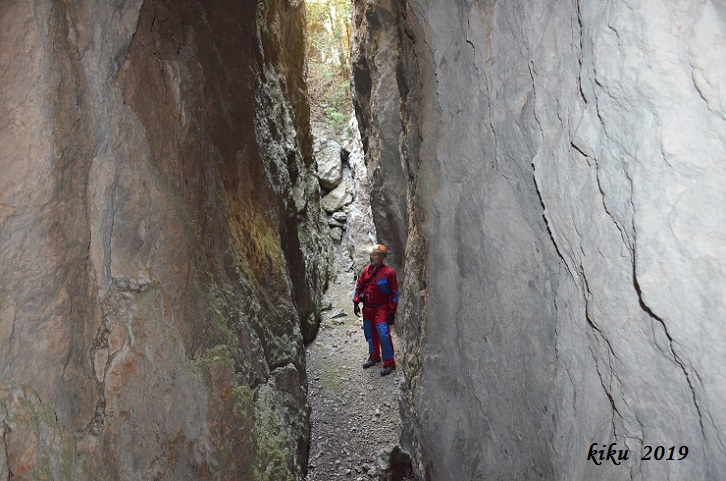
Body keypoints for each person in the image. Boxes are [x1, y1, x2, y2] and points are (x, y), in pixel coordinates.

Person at [353, 244, 399, 376]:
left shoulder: (389, 273)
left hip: (381, 309)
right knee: (369, 333)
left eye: (376, 255)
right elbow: (359, 287)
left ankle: (389, 362)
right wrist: (356, 302)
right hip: (367, 308)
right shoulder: (366, 271)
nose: (373, 257)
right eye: (372, 254)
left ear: (383, 258)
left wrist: (391, 311)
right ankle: (374, 356)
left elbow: (394, 294)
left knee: (383, 334)